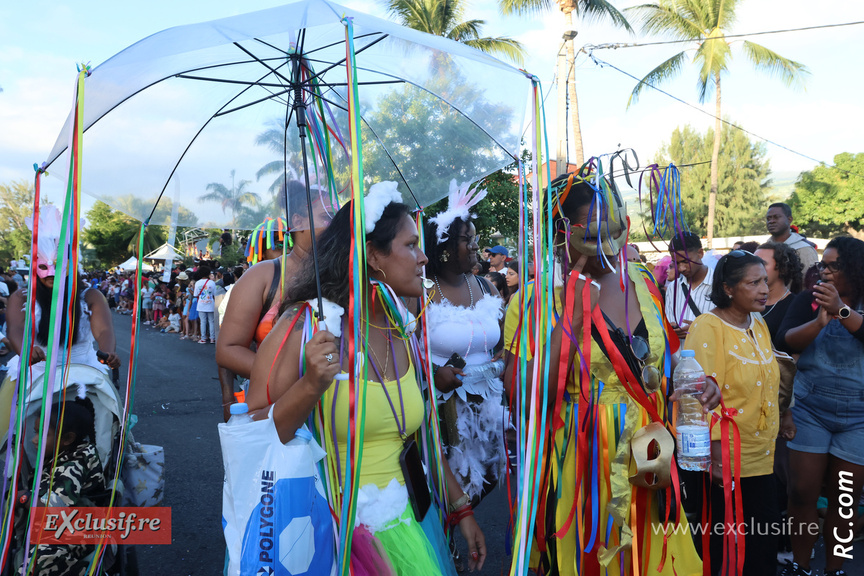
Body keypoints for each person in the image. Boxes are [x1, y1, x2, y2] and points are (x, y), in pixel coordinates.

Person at [246, 182, 486, 574]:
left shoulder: (400, 325)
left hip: (410, 523)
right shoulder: (303, 327)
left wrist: (462, 509)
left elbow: (418, 436)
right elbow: (254, 433)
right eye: (410, 246)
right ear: (373, 255)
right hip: (337, 536)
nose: (424, 258)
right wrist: (310, 387)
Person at [504, 170, 720, 575]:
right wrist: (570, 317)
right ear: (560, 235)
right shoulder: (535, 300)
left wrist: (701, 384)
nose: (609, 247)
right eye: (592, 235)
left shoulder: (644, 281)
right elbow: (523, 399)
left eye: (617, 231)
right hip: (586, 462)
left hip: (653, 455)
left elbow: (662, 365)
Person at [684, 250, 782, 576]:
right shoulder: (708, 327)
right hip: (726, 459)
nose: (763, 290)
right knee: (727, 546)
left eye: (764, 281)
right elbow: (699, 398)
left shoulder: (759, 323)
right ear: (728, 288)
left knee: (761, 544)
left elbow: (768, 379)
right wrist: (714, 453)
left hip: (762, 454)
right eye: (753, 283)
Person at [777, 236, 864, 576]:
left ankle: (834, 570)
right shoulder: (806, 299)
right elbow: (784, 339)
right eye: (821, 265)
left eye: (833, 266)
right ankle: (800, 566)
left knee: (844, 502)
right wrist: (818, 322)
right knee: (801, 493)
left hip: (858, 416)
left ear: (854, 269)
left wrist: (842, 310)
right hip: (810, 409)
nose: (824, 272)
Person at [216, 182, 333, 421]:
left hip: (338, 409)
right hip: (274, 409)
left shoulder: (347, 275)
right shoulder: (263, 276)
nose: (334, 226)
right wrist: (293, 376)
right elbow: (228, 350)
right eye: (325, 217)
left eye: (336, 218)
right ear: (298, 222)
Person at [424, 182, 507, 507]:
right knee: (445, 499)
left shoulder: (486, 287)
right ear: (444, 245)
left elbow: (504, 342)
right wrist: (433, 373)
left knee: (479, 489)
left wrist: (500, 364)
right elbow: (402, 350)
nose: (477, 247)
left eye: (475, 239)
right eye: (467, 240)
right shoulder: (422, 292)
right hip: (443, 414)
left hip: (487, 409)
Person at [25, 396, 105, 575]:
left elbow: (52, 508)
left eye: (42, 434)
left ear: (68, 439)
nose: (34, 440)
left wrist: (25, 497)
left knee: (40, 558)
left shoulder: (72, 467)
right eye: (35, 432)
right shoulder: (70, 452)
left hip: (80, 531)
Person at [665, 231, 714, 340]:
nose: (681, 268)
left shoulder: (722, 285)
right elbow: (669, 321)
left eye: (686, 261)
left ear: (700, 253)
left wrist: (700, 329)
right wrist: (672, 328)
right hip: (680, 355)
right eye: (676, 263)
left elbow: (734, 327)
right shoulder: (673, 288)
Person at [753, 242, 803, 343]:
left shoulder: (795, 305)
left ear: (782, 268)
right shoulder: (746, 301)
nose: (754, 268)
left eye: (762, 263)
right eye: (752, 263)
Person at [766, 203, 818, 278]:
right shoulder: (765, 248)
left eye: (776, 217)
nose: (771, 221)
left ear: (789, 219)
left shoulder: (804, 249)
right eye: (768, 218)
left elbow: (810, 281)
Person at [194, 268, 217, 344]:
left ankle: (203, 338)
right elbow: (215, 294)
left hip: (201, 304)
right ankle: (212, 338)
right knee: (211, 321)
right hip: (210, 303)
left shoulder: (197, 283)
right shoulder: (212, 283)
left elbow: (195, 294)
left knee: (203, 321)